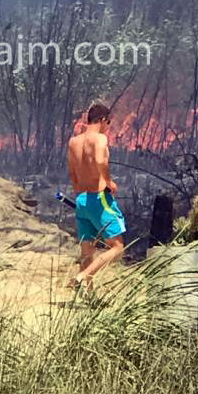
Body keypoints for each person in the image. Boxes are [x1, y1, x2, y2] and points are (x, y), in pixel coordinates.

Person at [66, 100, 126, 289]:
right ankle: (83, 275)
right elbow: (100, 160)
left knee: (87, 251)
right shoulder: (99, 139)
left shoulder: (73, 142)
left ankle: (88, 295)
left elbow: (73, 173)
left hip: (81, 200)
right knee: (117, 247)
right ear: (103, 119)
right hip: (99, 198)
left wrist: (79, 188)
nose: (108, 129)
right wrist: (109, 182)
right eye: (109, 124)